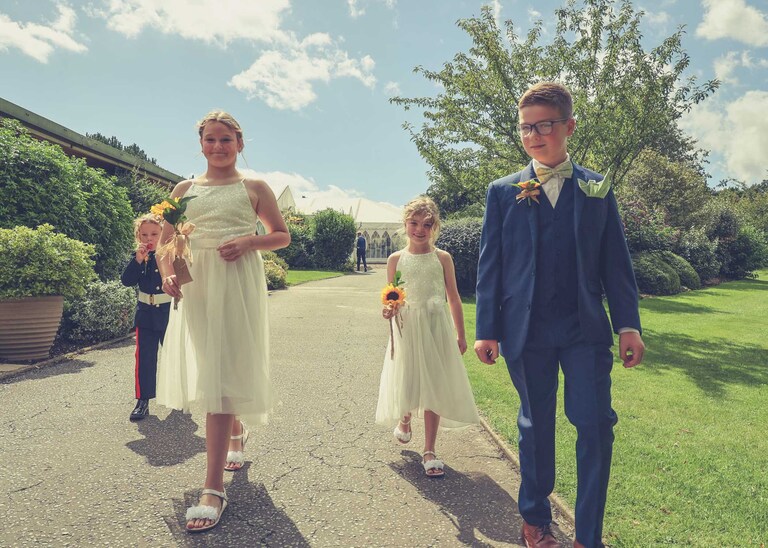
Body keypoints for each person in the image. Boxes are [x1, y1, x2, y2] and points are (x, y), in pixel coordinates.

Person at [473, 82, 645, 548]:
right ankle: (535, 519)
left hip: (584, 328)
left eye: (544, 125)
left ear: (568, 126)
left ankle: (588, 536)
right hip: (525, 330)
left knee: (594, 424)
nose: (533, 135)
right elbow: (492, 266)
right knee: (535, 425)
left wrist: (627, 324)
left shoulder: (596, 188)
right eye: (526, 127)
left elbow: (616, 262)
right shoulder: (502, 191)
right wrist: (486, 328)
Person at [156, 110, 290, 533]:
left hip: (237, 282)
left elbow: (281, 235)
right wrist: (167, 274)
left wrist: (250, 241)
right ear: (201, 145)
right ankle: (235, 433)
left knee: (221, 371)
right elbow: (164, 243)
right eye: (211, 140)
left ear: (240, 143)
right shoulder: (184, 188)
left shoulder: (253, 187)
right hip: (198, 287)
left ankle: (213, 487)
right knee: (213, 364)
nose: (218, 146)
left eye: (226, 139)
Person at [376, 196, 479, 477]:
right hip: (408, 326)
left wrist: (461, 334)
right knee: (408, 380)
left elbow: (454, 298)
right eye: (414, 223)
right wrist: (389, 309)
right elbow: (393, 295)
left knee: (433, 384)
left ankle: (430, 450)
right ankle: (405, 417)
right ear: (405, 224)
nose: (419, 229)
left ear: (435, 227)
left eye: (427, 224)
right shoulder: (395, 259)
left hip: (435, 327)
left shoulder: (442, 258)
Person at [120, 213, 172, 421]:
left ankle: (180, 398)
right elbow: (126, 281)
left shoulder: (170, 255)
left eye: (154, 234)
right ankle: (143, 401)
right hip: (145, 312)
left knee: (173, 356)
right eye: (144, 235)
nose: (149, 239)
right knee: (145, 359)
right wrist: (138, 260)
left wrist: (162, 255)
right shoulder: (139, 257)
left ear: (163, 235)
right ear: (138, 236)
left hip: (169, 312)